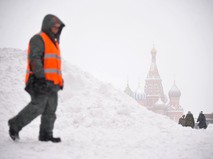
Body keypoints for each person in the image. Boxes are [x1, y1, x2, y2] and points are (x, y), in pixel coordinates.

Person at [8, 14, 65, 143]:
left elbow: (54, 65)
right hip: (40, 81)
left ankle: (46, 135)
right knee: (38, 106)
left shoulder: (54, 44)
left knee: (50, 109)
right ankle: (14, 125)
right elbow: (35, 59)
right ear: (47, 26)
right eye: (54, 27)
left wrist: (60, 81)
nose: (56, 29)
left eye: (58, 28)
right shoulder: (38, 39)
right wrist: (40, 77)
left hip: (52, 83)